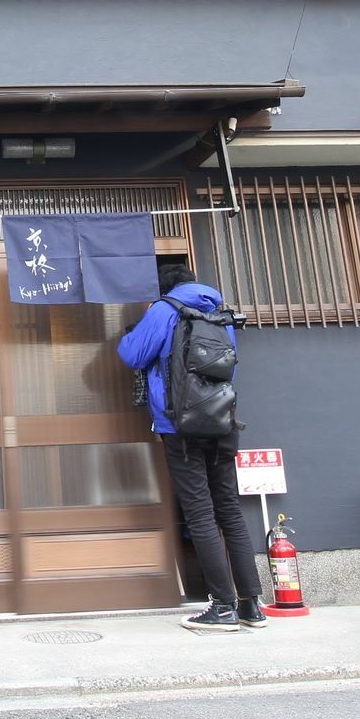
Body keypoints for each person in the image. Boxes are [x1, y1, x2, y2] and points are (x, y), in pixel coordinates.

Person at [118, 262, 265, 632]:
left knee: (199, 513)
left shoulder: (165, 310)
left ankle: (222, 607)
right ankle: (251, 605)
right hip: (222, 420)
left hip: (179, 423)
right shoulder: (220, 311)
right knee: (229, 509)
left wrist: (135, 328)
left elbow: (132, 355)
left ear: (164, 288)